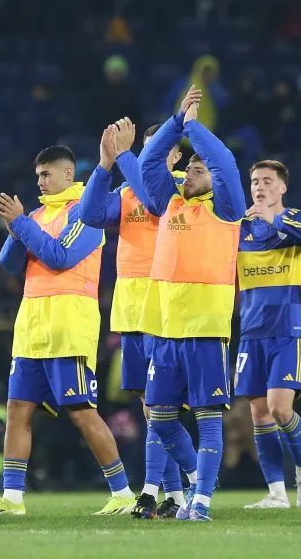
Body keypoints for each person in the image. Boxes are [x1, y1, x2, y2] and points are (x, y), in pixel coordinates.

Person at [0, 144, 134, 517]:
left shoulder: (86, 212)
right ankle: (12, 498)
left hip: (69, 324)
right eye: (38, 175)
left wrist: (21, 225)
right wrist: (15, 228)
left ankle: (122, 493)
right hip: (31, 324)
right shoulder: (35, 214)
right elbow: (8, 262)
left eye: (46, 174)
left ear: (68, 173)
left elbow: (59, 257)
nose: (40, 181)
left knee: (81, 411)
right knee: (18, 408)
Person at [133, 86, 245, 521]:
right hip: (164, 328)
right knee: (159, 419)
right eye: (188, 169)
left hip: (204, 328)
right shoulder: (171, 202)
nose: (190, 175)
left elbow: (224, 162)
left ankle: (201, 503)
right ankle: (198, 480)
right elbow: (147, 162)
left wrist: (194, 129)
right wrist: (177, 122)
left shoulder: (227, 209)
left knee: (207, 417)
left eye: (198, 170)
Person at [79, 121, 195, 519]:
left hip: (164, 304)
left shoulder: (180, 187)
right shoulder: (127, 189)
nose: (148, 159)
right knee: (151, 409)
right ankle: (176, 495)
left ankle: (176, 486)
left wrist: (127, 157)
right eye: (144, 151)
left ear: (175, 156)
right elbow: (90, 214)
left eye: (156, 151)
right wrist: (104, 165)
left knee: (162, 406)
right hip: (130, 309)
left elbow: (156, 201)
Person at [236, 159, 301, 509]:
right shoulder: (240, 228)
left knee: (280, 408)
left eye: (268, 181)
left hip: (288, 328)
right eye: (255, 181)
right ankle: (276, 493)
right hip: (251, 330)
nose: (260, 186)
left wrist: (272, 219)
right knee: (259, 413)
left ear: (283, 187)